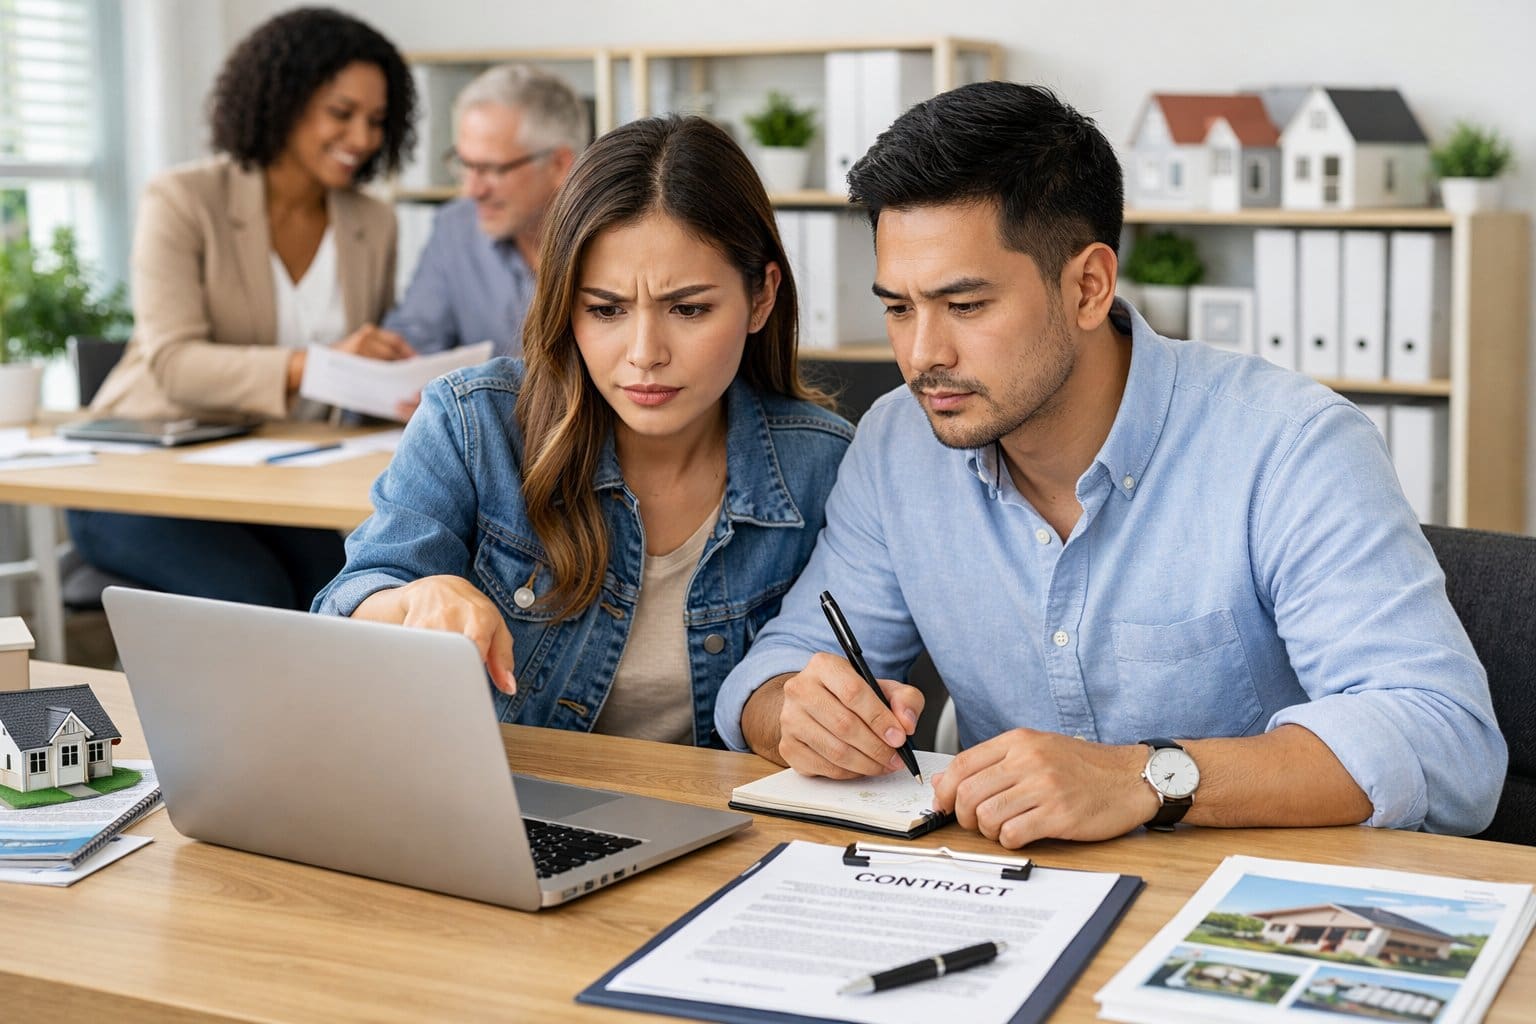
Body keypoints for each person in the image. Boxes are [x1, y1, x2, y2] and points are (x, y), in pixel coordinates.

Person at [714, 81, 1505, 843]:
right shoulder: (897, 444)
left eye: (965, 306)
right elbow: (770, 676)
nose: (922, 355)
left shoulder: (1291, 446)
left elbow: (1448, 742)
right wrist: (794, 713)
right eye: (898, 308)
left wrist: (1143, 779)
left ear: (1089, 286)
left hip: (1247, 909)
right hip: (1004, 899)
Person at [314, 115, 853, 746]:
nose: (645, 353)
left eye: (688, 308)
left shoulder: (826, 465)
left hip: (726, 829)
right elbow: (349, 606)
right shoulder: (473, 423)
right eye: (605, 310)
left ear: (761, 298)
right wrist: (415, 599)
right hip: (504, 814)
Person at [71, 6, 418, 610]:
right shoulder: (184, 199)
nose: (361, 139)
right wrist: (312, 364)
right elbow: (173, 362)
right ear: (283, 99)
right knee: (250, 594)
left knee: (342, 594)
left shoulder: (373, 223)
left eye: (376, 120)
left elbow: (351, 377)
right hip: (138, 475)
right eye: (341, 113)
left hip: (272, 478)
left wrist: (391, 383)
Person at [382, 64, 589, 359]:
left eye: (491, 169)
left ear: (559, 164)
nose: (472, 190)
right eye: (466, 165)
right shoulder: (456, 227)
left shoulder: (618, 239)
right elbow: (414, 340)